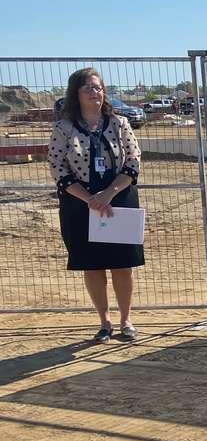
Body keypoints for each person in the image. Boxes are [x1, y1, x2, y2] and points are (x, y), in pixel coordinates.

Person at [47, 68, 144, 342]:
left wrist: (108, 194)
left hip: (119, 200)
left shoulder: (120, 123)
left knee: (123, 264)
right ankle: (104, 321)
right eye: (88, 88)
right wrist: (90, 199)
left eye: (98, 87)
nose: (95, 92)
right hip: (80, 205)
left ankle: (126, 320)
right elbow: (58, 169)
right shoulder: (62, 129)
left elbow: (134, 162)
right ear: (75, 94)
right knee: (92, 265)